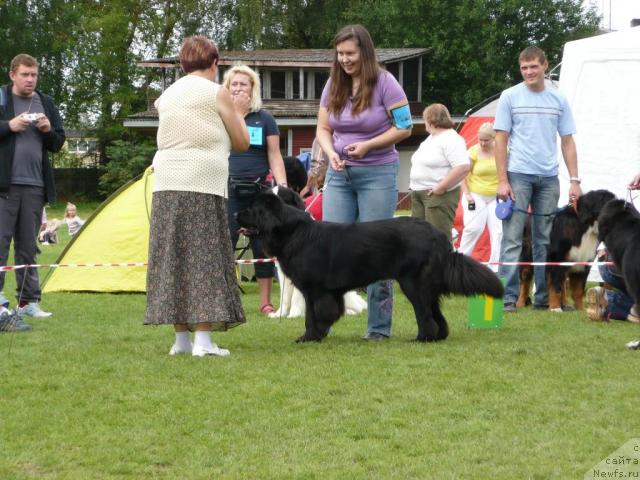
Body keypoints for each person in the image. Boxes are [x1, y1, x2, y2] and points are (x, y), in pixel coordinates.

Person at [144, 36, 250, 357]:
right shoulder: (216, 92)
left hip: (165, 183)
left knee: (174, 257)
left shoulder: (166, 96)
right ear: (215, 63)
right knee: (205, 257)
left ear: (182, 64)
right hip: (203, 183)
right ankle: (203, 342)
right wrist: (240, 111)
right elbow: (242, 141)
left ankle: (180, 341)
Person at [316, 24, 412, 341]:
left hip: (378, 173)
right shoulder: (333, 84)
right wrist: (330, 153)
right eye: (340, 54)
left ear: (365, 52)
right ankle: (321, 325)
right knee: (330, 249)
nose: (344, 60)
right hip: (339, 174)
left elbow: (405, 127)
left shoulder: (386, 83)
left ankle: (378, 328)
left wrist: (370, 145)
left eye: (350, 54)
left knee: (377, 252)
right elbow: (323, 129)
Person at [494, 46, 582, 313]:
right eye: (524, 68)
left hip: (548, 177)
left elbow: (567, 142)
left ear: (546, 66)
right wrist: (502, 180)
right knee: (512, 238)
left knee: (545, 240)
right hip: (518, 175)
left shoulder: (559, 100)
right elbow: (500, 139)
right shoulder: (509, 96)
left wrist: (575, 180)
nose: (529, 72)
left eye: (534, 66)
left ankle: (543, 298)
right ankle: (508, 298)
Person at [0, 53, 65, 330]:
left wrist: (49, 130)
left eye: (34, 75)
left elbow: (59, 141)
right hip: (4, 185)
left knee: (28, 247)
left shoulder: (46, 102)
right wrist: (8, 126)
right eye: (25, 74)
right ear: (12, 74)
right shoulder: (2, 99)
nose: (30, 80)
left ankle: (28, 302)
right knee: (1, 244)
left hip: (35, 186)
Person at [223, 65, 287, 315]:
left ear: (253, 89)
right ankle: (227, 301)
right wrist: (235, 113)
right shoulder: (222, 116)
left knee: (263, 247)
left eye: (243, 84)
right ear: (227, 89)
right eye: (234, 84)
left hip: (259, 190)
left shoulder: (265, 118)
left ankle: (265, 302)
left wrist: (281, 188)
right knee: (225, 243)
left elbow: (275, 155)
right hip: (228, 188)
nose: (238, 88)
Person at [409, 103, 470, 243]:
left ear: (430, 120)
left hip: (437, 194)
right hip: (419, 192)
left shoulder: (452, 139)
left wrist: (441, 187)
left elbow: (463, 166)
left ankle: (445, 265)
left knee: (438, 238)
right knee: (418, 238)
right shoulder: (430, 139)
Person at [458, 122, 502, 272]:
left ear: (494, 138)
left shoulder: (503, 150)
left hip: (497, 196)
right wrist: (467, 194)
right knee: (473, 228)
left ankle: (495, 268)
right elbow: (463, 174)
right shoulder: (473, 151)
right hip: (475, 195)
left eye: (486, 140)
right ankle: (460, 263)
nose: (482, 143)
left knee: (498, 232)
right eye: (480, 140)